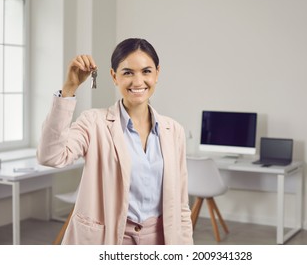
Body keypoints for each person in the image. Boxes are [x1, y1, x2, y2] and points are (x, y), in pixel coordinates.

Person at [37, 38, 193, 245]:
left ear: (157, 73)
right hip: (110, 238)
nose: (138, 82)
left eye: (146, 71)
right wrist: (69, 89)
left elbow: (181, 204)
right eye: (128, 72)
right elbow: (51, 157)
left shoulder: (174, 131)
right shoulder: (93, 122)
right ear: (114, 76)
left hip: (161, 239)